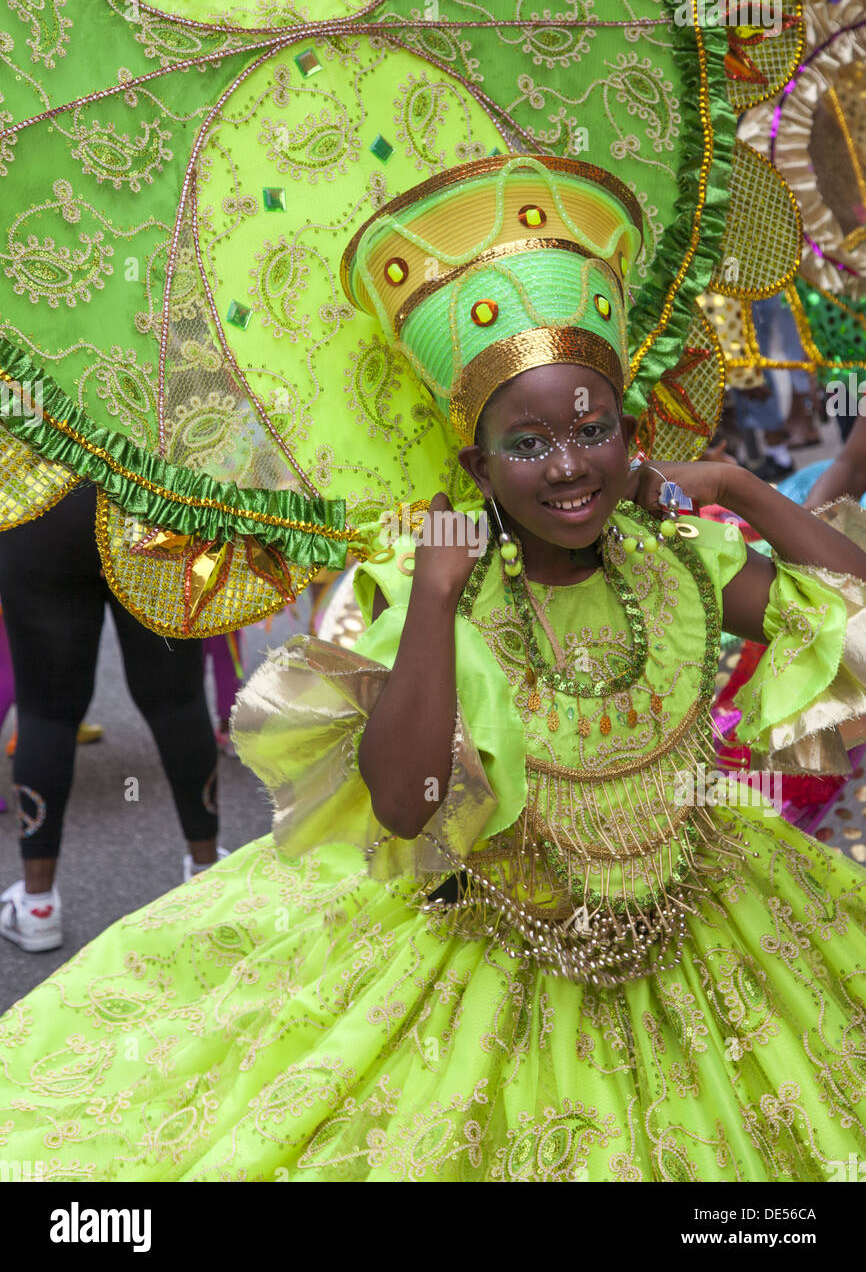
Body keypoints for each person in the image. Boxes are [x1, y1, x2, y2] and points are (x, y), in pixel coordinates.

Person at [0, 156, 864, 1182]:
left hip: (708, 935)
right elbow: (407, 807)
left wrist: (736, 485)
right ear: (476, 468)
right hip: (488, 964)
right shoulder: (436, 599)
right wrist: (439, 599)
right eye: (527, 442)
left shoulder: (677, 563)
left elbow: (849, 610)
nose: (567, 466)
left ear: (632, 436)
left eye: (593, 430)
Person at [0, 485, 225, 954]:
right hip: (150, 499)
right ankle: (207, 873)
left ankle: (38, 904)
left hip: (40, 498)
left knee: (46, 710)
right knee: (178, 700)